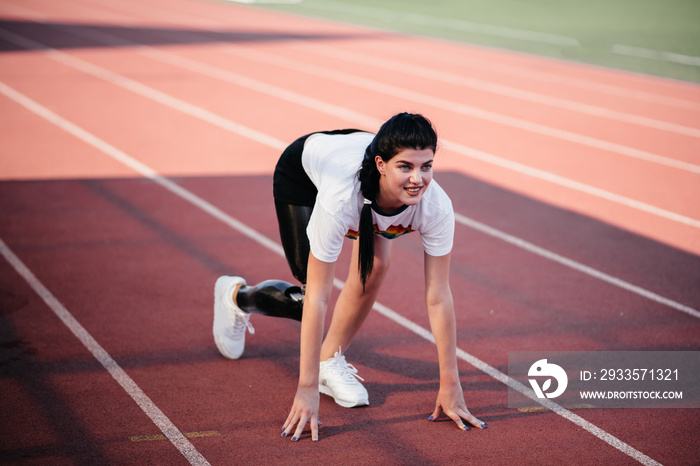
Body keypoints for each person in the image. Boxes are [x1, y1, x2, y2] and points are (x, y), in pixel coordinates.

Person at [213, 112, 486, 442]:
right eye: (406, 167)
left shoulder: (436, 207)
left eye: (426, 166)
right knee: (307, 293)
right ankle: (237, 296)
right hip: (303, 173)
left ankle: (330, 357)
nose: (418, 179)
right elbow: (319, 296)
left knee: (376, 268)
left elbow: (438, 296)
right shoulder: (341, 199)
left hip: (366, 175)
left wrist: (451, 385)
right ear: (383, 164)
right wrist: (306, 388)